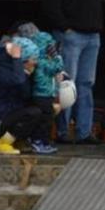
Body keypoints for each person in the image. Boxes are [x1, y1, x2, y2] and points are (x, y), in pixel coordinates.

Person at [42, 0, 103, 145]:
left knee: (86, 83)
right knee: (67, 83)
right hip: (71, 34)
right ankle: (62, 130)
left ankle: (84, 131)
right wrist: (64, 27)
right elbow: (51, 1)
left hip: (91, 35)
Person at [0, 30, 51, 155]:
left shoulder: (21, 71)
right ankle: (2, 143)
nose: (34, 64)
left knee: (44, 109)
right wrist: (17, 59)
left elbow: (27, 94)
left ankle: (23, 140)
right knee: (33, 113)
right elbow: (19, 84)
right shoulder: (3, 70)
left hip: (9, 114)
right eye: (32, 60)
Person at [25, 26, 64, 155]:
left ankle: (41, 141)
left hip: (43, 94)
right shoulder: (42, 62)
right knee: (46, 120)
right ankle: (40, 142)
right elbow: (58, 67)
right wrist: (57, 56)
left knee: (44, 118)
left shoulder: (40, 61)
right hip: (43, 95)